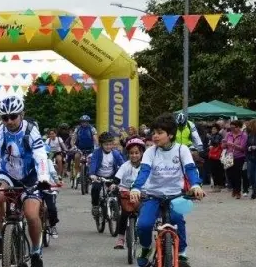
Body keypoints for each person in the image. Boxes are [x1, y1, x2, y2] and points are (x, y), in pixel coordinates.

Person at [0, 95, 50, 267]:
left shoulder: (31, 131)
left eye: (13, 116)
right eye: (4, 117)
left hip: (30, 177)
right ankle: (1, 237)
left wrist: (44, 177)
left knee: (31, 215)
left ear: (22, 114)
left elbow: (40, 156)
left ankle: (36, 251)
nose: (9, 121)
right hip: (7, 175)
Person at [130, 113, 205, 267]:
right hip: (153, 195)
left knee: (178, 221)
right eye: (154, 132)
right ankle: (145, 248)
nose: (155, 136)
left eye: (159, 133)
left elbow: (190, 169)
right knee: (143, 225)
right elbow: (144, 171)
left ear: (170, 134)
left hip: (175, 195)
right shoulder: (151, 151)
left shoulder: (181, 150)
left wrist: (195, 185)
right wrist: (136, 188)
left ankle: (182, 253)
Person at [112, 138, 144, 249]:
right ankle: (121, 239)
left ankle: (142, 233)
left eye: (136, 153)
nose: (134, 155)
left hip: (141, 193)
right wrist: (114, 184)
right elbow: (117, 177)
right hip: (125, 192)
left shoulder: (145, 166)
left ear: (141, 153)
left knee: (143, 213)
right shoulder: (125, 165)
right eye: (131, 153)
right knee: (124, 214)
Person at [88, 132, 125, 217]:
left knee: (117, 190)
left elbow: (123, 164)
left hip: (111, 175)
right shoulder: (97, 153)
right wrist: (92, 175)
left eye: (110, 144)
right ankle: (95, 206)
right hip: (98, 176)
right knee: (96, 188)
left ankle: (116, 208)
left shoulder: (115, 153)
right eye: (106, 144)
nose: (108, 147)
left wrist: (126, 172)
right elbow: (93, 164)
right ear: (101, 144)